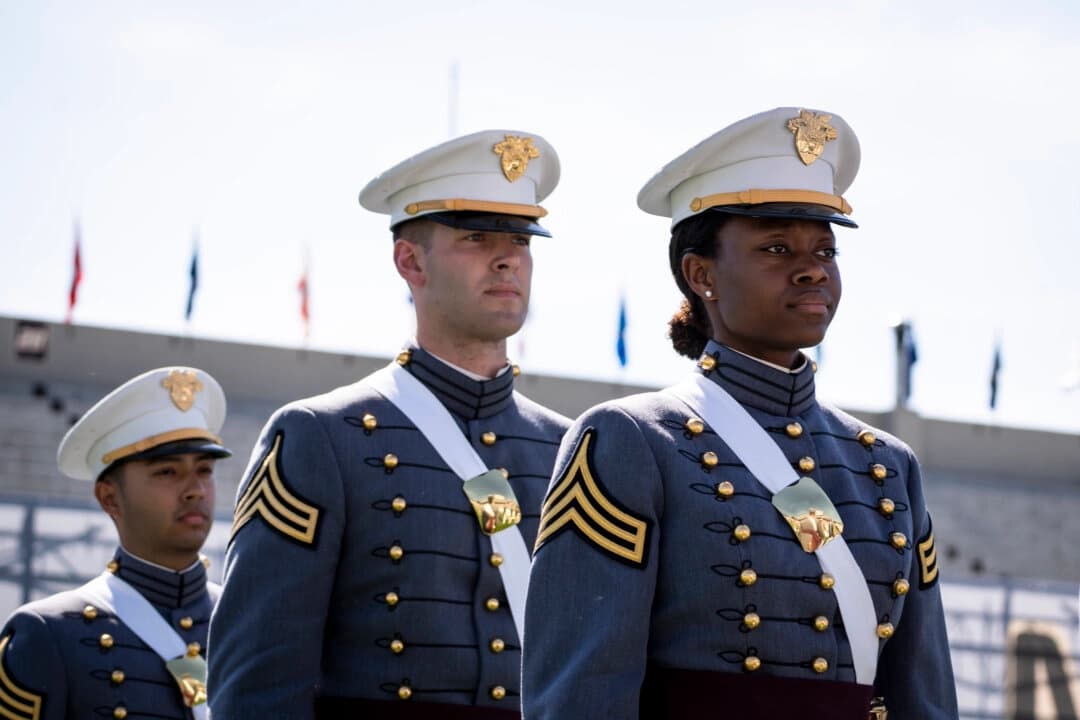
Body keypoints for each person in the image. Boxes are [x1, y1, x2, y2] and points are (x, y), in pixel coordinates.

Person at [522, 108, 959, 719]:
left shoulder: (887, 463)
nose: (812, 268)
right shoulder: (628, 440)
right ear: (701, 274)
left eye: (826, 250)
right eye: (776, 247)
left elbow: (924, 695)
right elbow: (581, 694)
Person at [208, 129, 571, 719]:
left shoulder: (570, 446)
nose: (507, 257)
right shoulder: (318, 437)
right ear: (410, 260)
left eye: (521, 239)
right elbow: (259, 678)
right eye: (477, 237)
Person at [0, 367, 231, 720]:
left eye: (204, 470)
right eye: (167, 472)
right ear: (110, 498)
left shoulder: (243, 620)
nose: (195, 490)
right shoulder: (46, 633)